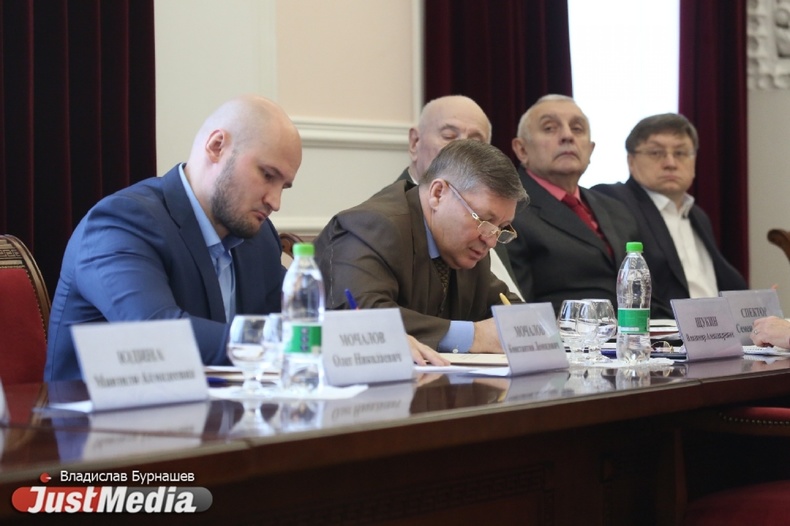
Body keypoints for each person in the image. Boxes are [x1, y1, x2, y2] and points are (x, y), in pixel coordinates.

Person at [315, 139, 528, 353]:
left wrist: (531, 329)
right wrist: (474, 336)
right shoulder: (371, 226)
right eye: (484, 220)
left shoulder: (468, 246)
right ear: (438, 193)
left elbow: (507, 310)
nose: (491, 241)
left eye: (501, 228)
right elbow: (361, 315)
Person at [593, 113, 747, 318]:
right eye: (656, 153)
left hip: (719, 329)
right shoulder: (612, 200)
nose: (670, 163)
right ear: (631, 161)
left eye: (681, 153)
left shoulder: (698, 215)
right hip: (664, 331)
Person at [506, 94, 639, 314]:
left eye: (577, 129)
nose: (567, 136)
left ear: (590, 149)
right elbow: (519, 309)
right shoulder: (509, 211)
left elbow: (647, 294)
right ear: (522, 150)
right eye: (549, 128)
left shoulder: (617, 209)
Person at [396, 94, 523, 299]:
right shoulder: (388, 221)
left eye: (476, 142)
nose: (463, 150)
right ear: (415, 142)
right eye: (449, 136)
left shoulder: (494, 216)